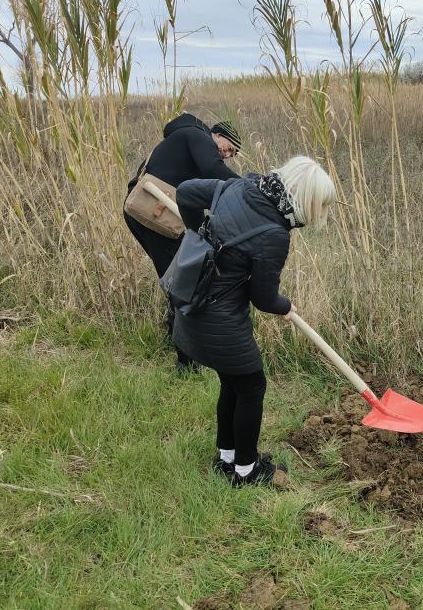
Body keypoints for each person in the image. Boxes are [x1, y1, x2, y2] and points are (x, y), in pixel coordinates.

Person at [173, 157, 336, 486]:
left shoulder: (240, 186)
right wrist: (286, 305)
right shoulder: (274, 235)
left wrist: (197, 236)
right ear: (304, 200)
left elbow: (186, 193)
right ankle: (246, 472)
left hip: (195, 305)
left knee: (233, 383)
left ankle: (227, 458)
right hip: (218, 318)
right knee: (251, 386)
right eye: (319, 205)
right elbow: (263, 298)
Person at [124, 113, 243, 371]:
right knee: (183, 283)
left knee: (177, 277)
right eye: (229, 148)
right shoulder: (197, 136)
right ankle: (185, 363)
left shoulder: (185, 140)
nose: (228, 156)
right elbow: (213, 171)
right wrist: (251, 189)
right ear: (218, 135)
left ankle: (177, 341)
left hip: (145, 213)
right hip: (155, 213)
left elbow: (195, 193)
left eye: (232, 155)